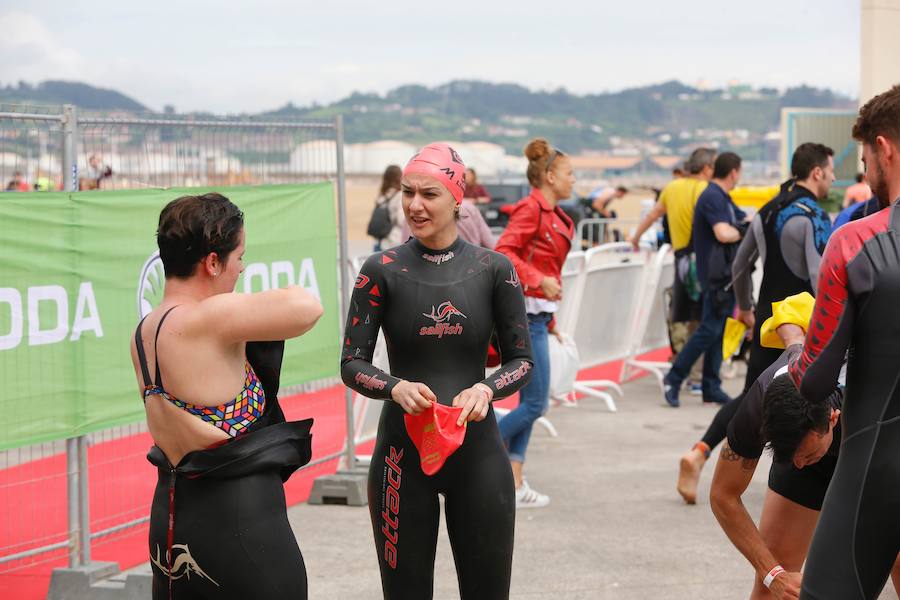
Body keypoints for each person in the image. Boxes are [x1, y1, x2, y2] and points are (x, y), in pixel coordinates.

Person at [341, 143, 534, 600]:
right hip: (400, 458)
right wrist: (394, 387)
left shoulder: (494, 269)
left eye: (429, 193)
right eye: (408, 192)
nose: (414, 205)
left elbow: (522, 361)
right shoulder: (381, 270)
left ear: (456, 198)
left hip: (479, 455)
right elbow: (352, 363)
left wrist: (486, 391)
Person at [130, 193, 323, 599]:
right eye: (239, 258)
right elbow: (307, 307)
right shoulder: (210, 317)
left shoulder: (145, 330)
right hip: (243, 527)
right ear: (212, 262)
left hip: (173, 520)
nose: (241, 269)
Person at [790, 85, 900, 599]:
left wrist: (793, 343)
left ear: (886, 149)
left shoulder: (855, 241)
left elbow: (813, 380)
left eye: (864, 159)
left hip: (875, 466)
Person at [677, 143, 835, 502]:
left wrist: (748, 309)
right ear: (816, 172)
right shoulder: (812, 215)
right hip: (802, 323)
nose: (833, 177)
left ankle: (700, 452)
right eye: (830, 171)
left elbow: (740, 267)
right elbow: (819, 276)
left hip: (767, 320)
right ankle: (801, 490)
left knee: (754, 397)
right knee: (805, 404)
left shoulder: (766, 211)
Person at [709, 293, 839, 600]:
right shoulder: (757, 407)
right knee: (778, 585)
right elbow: (723, 494)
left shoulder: (867, 392)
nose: (797, 462)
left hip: (873, 446)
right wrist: (773, 574)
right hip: (821, 447)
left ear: (833, 418)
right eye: (788, 455)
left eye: (806, 454)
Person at [494, 138, 575, 509]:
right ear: (549, 176)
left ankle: (513, 480)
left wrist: (551, 312)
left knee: (531, 401)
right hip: (525, 316)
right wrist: (537, 280)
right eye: (569, 173)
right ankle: (469, 453)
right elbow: (504, 252)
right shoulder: (532, 210)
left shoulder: (552, 214)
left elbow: (545, 266)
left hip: (537, 315)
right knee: (534, 404)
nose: (574, 180)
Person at [630, 148, 717, 392]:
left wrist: (636, 237)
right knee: (705, 322)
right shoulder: (706, 191)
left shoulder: (672, 187)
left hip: (681, 262)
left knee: (689, 320)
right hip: (703, 262)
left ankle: (689, 372)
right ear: (707, 168)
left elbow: (654, 214)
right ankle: (696, 376)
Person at [663, 152, 745, 408]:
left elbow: (741, 220)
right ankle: (674, 377)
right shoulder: (712, 197)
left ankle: (711, 385)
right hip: (714, 274)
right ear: (733, 172)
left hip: (723, 274)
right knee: (709, 328)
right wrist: (744, 230)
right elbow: (723, 233)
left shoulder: (721, 198)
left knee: (718, 329)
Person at [372, 165, 405, 250]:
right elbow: (401, 220)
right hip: (394, 242)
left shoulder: (382, 196)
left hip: (379, 241)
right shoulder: (399, 195)